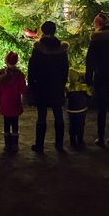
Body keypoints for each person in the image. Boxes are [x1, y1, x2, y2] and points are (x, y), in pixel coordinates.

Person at [28, 21, 69, 153]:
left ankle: (39, 145)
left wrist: (32, 86)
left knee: (41, 116)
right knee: (58, 114)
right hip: (56, 86)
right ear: (55, 31)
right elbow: (65, 69)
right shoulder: (61, 49)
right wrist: (62, 83)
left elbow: (32, 69)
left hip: (41, 86)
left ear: (42, 31)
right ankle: (59, 144)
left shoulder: (38, 49)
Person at [85, 13, 109, 147]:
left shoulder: (95, 41)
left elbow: (89, 61)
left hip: (101, 77)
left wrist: (88, 79)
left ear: (98, 25)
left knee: (101, 108)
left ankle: (101, 137)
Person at [0, 52, 26, 152]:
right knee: (15, 124)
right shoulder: (19, 75)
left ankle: (7, 145)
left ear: (6, 61)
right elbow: (23, 90)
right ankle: (15, 145)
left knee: (6, 123)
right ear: (17, 62)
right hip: (15, 103)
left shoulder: (1, 76)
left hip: (5, 103)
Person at [66, 69, 90, 149]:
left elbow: (64, 96)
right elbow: (89, 95)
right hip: (82, 110)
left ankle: (72, 141)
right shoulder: (83, 87)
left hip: (71, 110)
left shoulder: (68, 88)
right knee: (80, 125)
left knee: (72, 126)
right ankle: (80, 141)